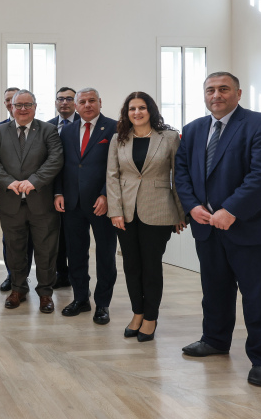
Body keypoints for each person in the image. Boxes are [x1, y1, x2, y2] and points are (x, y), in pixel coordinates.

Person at [175, 72, 261, 387]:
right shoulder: (194, 129)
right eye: (210, 89)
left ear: (238, 93)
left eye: (223, 89)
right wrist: (191, 205)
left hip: (252, 229)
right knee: (215, 291)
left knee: (259, 297)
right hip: (207, 227)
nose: (216, 95)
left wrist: (232, 210)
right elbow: (181, 172)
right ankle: (215, 339)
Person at [106, 91, 186, 342]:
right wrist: (115, 210)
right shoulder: (119, 138)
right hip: (126, 213)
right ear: (126, 113)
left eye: (142, 107)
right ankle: (137, 313)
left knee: (151, 267)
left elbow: (180, 176)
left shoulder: (170, 137)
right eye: (132, 108)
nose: (137, 112)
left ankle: (151, 317)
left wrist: (181, 212)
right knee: (131, 266)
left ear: (150, 110)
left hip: (159, 210)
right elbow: (112, 176)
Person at [0, 89, 63, 313]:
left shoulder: (48, 130)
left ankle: (46, 293)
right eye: (18, 105)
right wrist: (9, 182)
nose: (22, 109)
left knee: (46, 250)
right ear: (11, 107)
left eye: (27, 105)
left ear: (35, 107)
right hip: (10, 202)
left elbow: (55, 159)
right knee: (14, 248)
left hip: (42, 202)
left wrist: (34, 181)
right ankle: (18, 289)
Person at [54, 87, 118, 325]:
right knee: (75, 253)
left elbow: (117, 167)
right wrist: (59, 192)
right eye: (83, 101)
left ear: (100, 102)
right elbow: (62, 165)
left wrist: (106, 195)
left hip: (101, 204)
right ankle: (81, 298)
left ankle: (102, 304)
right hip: (72, 203)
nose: (88, 105)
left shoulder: (114, 128)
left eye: (92, 100)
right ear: (76, 105)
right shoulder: (67, 131)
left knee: (105, 255)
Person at [0, 87, 34, 292]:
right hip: (9, 197)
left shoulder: (39, 130)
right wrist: (3, 185)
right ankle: (13, 276)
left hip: (34, 196)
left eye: (18, 101)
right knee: (10, 241)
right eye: (10, 101)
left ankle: (25, 277)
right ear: (7, 105)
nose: (14, 105)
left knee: (31, 241)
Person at [47, 86, 79, 290]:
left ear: (75, 102)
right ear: (56, 102)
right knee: (56, 235)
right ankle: (61, 273)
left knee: (74, 237)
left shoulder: (83, 124)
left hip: (78, 189)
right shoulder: (47, 126)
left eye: (69, 99)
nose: (64, 102)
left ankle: (76, 276)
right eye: (61, 99)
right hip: (52, 189)